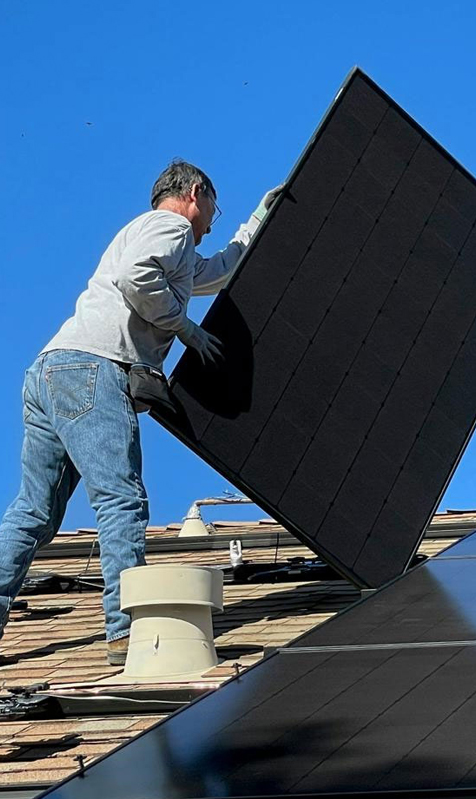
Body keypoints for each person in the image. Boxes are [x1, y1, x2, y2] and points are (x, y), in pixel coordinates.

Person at [0, 160, 281, 666]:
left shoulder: (158, 238)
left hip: (50, 371)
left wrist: (259, 219)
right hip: (94, 368)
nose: (215, 218)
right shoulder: (170, 226)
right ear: (196, 193)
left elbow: (215, 273)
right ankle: (126, 631)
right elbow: (137, 278)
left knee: (34, 513)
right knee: (121, 499)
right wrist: (186, 330)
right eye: (216, 206)